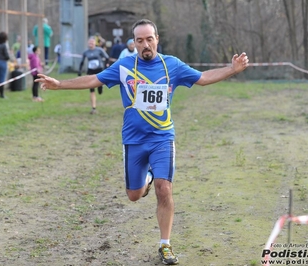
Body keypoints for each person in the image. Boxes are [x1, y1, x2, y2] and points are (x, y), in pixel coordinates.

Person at [35, 19, 249, 265]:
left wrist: (231, 69)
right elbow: (95, 80)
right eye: (140, 40)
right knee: (134, 195)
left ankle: (165, 245)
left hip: (162, 138)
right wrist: (60, 84)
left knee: (164, 188)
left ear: (157, 39)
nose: (145, 44)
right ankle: (145, 179)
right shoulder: (124, 66)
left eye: (149, 39)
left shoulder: (172, 65)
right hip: (134, 140)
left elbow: (202, 78)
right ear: (134, 43)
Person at [78, 37, 109, 114]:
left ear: (95, 43)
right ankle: (93, 108)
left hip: (99, 69)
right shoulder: (86, 52)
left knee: (99, 86)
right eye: (89, 43)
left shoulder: (99, 50)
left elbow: (107, 58)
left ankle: (100, 86)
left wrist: (106, 67)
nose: (90, 44)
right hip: (90, 70)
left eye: (92, 43)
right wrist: (80, 70)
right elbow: (82, 61)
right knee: (91, 88)